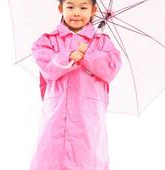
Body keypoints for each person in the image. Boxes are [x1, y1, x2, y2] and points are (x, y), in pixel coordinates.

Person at [30, 0, 122, 169]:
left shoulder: (102, 42)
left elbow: (111, 67)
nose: (76, 13)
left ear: (93, 10)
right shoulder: (48, 40)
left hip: (87, 117)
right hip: (56, 116)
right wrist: (69, 55)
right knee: (51, 159)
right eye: (70, 7)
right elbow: (48, 67)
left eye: (83, 7)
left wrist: (88, 56)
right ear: (60, 8)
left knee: (87, 159)